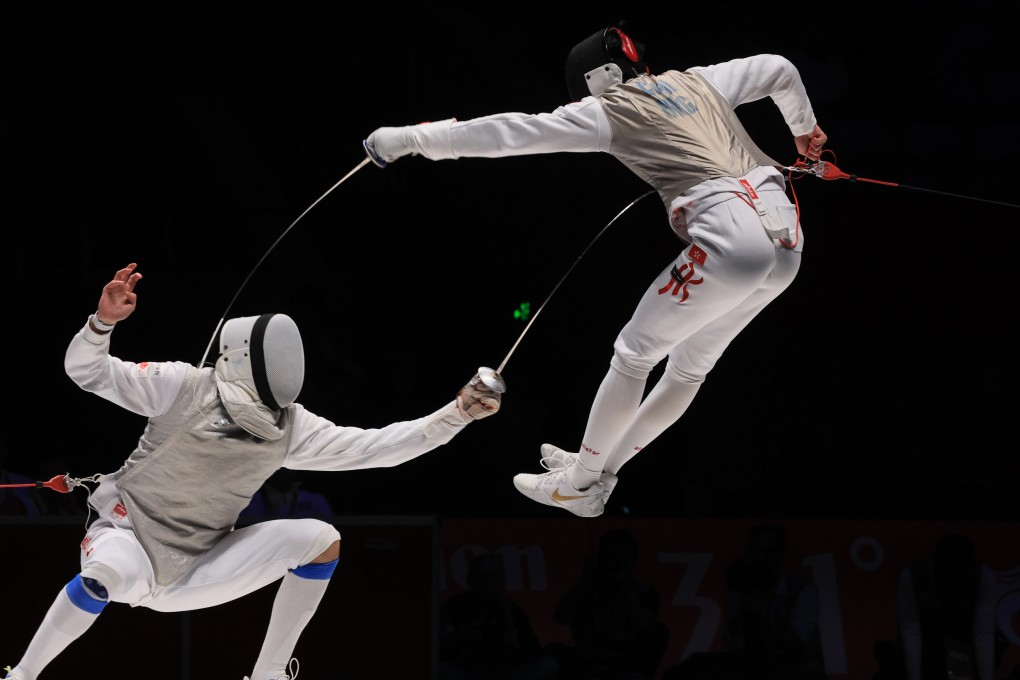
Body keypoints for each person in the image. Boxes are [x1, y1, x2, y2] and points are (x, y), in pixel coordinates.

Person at [363, 22, 827, 517]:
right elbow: (780, 69)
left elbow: (508, 132)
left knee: (633, 354)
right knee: (689, 366)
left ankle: (579, 483)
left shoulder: (607, 108)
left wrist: (411, 138)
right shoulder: (699, 79)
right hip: (787, 243)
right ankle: (598, 472)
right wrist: (806, 131)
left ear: (597, 79)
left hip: (732, 243)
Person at [2, 262, 504, 680]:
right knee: (105, 576)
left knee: (320, 538)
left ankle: (267, 675)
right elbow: (89, 372)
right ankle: (22, 675)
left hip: (199, 565)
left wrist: (455, 414)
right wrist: (100, 324)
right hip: (127, 535)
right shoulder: (184, 385)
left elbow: (380, 449)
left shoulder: (290, 426)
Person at [662, 522, 825, 680]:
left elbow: (799, 648)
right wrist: (745, 603)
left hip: (792, 667)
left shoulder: (802, 590)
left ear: (782, 554)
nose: (762, 559)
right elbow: (735, 641)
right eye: (756, 553)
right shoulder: (742, 585)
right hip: (754, 663)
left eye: (769, 553)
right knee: (693, 666)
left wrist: (762, 620)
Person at [545, 527, 669, 680]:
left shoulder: (645, 593)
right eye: (608, 558)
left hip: (625, 665)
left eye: (622, 560)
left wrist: (626, 593)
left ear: (633, 561)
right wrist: (585, 579)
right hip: (586, 660)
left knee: (660, 631)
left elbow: (644, 626)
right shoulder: (588, 589)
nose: (614, 565)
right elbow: (559, 617)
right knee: (552, 653)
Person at [438, 552, 558, 680]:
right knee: (438, 669)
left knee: (548, 664)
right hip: (468, 672)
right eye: (482, 578)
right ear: (470, 580)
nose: (489, 584)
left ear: (502, 581)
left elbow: (533, 653)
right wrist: (462, 639)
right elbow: (439, 652)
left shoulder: (512, 611)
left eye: (495, 578)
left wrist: (516, 643)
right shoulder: (453, 607)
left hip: (507, 674)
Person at [897, 533, 997, 680]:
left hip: (963, 640)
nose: (954, 583)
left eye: (961, 576)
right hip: (926, 641)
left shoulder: (984, 578)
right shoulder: (911, 577)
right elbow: (911, 632)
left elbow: (983, 633)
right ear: (936, 565)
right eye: (949, 575)